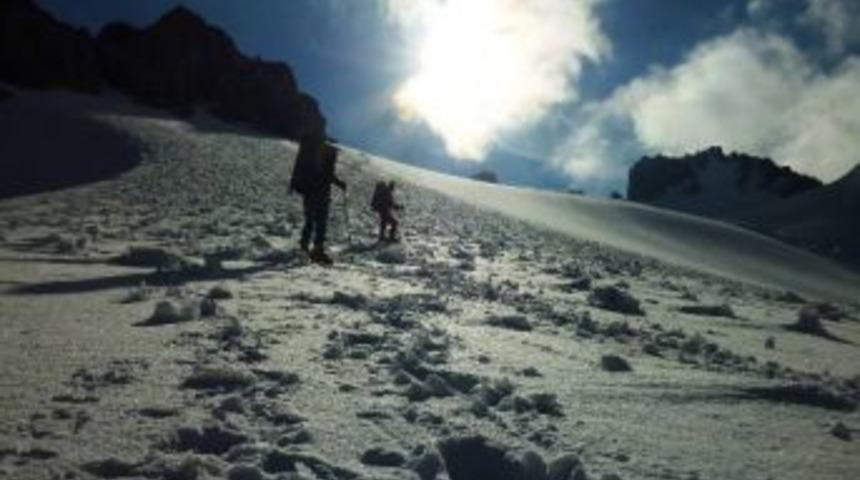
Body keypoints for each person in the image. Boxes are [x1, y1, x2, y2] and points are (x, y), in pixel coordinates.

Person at [289, 132, 346, 264]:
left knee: (309, 221)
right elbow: (328, 175)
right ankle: (317, 251)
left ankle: (304, 247)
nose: (336, 157)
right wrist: (340, 184)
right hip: (320, 194)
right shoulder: (327, 156)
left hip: (309, 192)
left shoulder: (313, 155)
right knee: (321, 223)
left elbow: (326, 174)